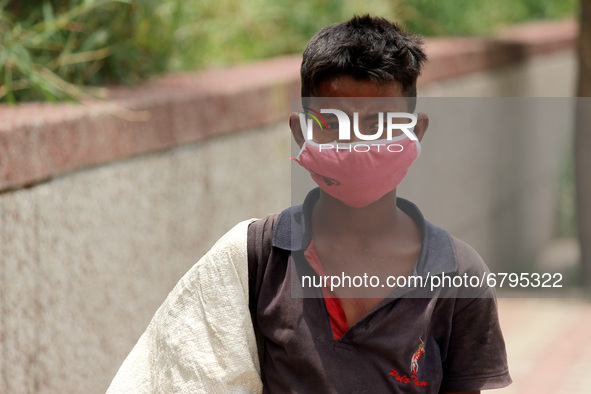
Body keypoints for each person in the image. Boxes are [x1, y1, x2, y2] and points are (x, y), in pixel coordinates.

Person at [107, 15, 511, 394]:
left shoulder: (459, 273)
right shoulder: (255, 259)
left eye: (378, 125)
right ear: (301, 132)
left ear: (415, 131)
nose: (357, 145)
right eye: (331, 124)